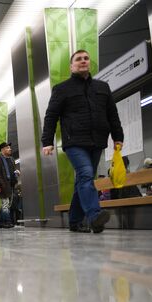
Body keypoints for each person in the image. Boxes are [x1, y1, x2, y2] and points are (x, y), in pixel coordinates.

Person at [42, 49, 124, 233]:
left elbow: (112, 114)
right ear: (72, 66)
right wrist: (47, 141)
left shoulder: (102, 87)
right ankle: (95, 216)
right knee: (87, 174)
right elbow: (51, 116)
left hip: (97, 140)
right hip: (74, 141)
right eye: (78, 59)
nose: (83, 61)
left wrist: (118, 136)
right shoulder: (62, 89)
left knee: (83, 181)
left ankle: (74, 221)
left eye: (86, 58)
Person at [0, 142, 17, 229]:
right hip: (2, 186)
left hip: (11, 185)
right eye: (7, 148)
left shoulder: (11, 160)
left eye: (10, 147)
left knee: (6, 205)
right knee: (5, 204)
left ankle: (0, 223)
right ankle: (7, 222)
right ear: (2, 150)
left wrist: (16, 173)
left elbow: (12, 171)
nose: (10, 149)